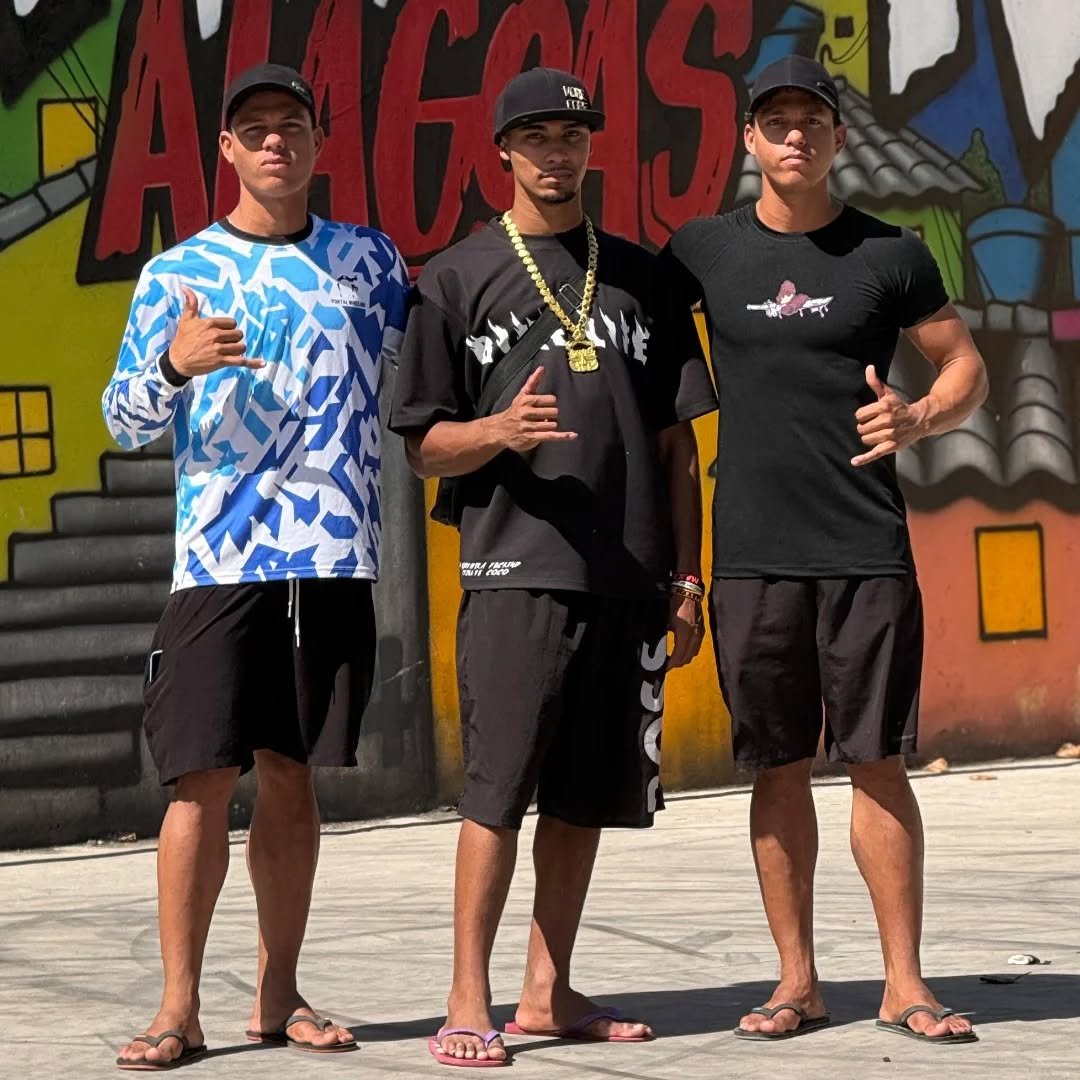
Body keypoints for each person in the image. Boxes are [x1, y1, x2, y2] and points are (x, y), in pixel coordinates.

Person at [390, 66, 717, 1066]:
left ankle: (546, 992)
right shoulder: (453, 277)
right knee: (498, 789)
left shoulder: (643, 277)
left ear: (590, 148)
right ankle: (464, 999)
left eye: (571, 137)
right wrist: (494, 430)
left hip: (626, 573)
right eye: (535, 137)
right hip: (511, 572)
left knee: (585, 796)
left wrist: (690, 579)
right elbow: (419, 445)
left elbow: (678, 446)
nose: (556, 154)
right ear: (503, 152)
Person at [662, 55, 987, 1046]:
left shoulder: (889, 255)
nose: (795, 135)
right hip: (753, 552)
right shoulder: (700, 253)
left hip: (865, 547)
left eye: (813, 120)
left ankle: (903, 983)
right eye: (777, 121)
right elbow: (643, 379)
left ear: (839, 140)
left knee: (877, 761)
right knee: (776, 768)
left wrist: (921, 417)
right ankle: (796, 982)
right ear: (750, 141)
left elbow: (965, 362)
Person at [103, 63, 410, 1070]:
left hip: (331, 561)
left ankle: (280, 1000)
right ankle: (178, 1006)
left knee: (292, 779)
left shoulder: (371, 263)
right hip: (219, 563)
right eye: (255, 130)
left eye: (293, 125)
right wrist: (170, 366)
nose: (276, 142)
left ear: (319, 143)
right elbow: (122, 417)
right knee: (199, 778)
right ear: (225, 151)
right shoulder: (176, 275)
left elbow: (437, 368)